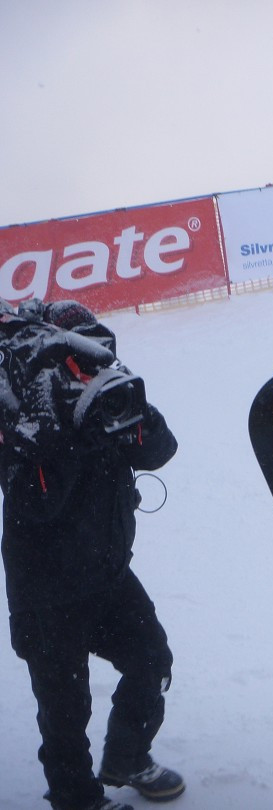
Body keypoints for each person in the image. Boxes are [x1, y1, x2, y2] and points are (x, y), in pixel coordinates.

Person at [0, 300, 185, 810]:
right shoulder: (25, 417)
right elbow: (35, 503)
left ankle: (127, 756)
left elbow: (160, 449)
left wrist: (126, 410)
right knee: (64, 713)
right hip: (47, 593)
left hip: (107, 574)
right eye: (84, 361)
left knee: (151, 661)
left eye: (100, 355)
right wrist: (65, 429)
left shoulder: (108, 394)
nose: (94, 368)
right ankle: (76, 799)